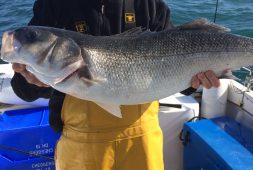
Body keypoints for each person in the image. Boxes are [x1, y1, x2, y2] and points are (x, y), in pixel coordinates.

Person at [11, 0, 220, 169]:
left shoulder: (149, 5)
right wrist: (32, 81)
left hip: (143, 140)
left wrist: (196, 80)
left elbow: (178, 73)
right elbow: (24, 89)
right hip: (80, 144)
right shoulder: (54, 5)